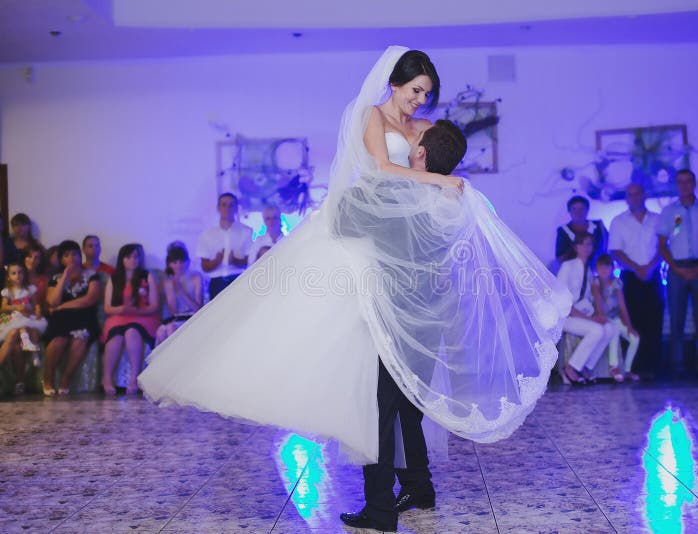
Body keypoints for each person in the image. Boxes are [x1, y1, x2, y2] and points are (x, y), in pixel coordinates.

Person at [139, 47, 570, 533]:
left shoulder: (423, 155)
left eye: (426, 94)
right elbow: (381, 172)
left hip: (394, 288)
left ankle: (384, 506)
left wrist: (425, 182)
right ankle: (418, 486)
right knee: (403, 399)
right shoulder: (387, 137)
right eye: (415, 91)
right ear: (394, 83)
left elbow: (375, 198)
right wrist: (433, 181)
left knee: (381, 404)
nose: (419, 102)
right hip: (403, 281)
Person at [657, 170, 698, 378]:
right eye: (680, 182)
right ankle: (677, 363)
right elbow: (662, 244)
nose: (684, 185)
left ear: (694, 183)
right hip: (677, 269)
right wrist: (676, 268)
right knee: (677, 317)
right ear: (676, 185)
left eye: (688, 181)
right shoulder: (669, 212)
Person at [608, 183, 663, 378]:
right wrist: (636, 267)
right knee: (631, 319)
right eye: (629, 195)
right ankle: (632, 367)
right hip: (630, 276)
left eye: (637, 193)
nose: (634, 198)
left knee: (654, 319)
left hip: (653, 274)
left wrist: (649, 267)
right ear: (626, 198)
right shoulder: (618, 221)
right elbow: (615, 250)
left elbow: (663, 248)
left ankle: (653, 366)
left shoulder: (658, 219)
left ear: (644, 194)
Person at [42, 240, 102, 396]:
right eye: (67, 255)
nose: (72, 258)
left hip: (84, 316)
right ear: (62, 259)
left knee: (80, 339)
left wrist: (62, 306)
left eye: (75, 254)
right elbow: (52, 301)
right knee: (58, 340)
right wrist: (64, 278)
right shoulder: (55, 278)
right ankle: (48, 377)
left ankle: (66, 378)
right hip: (61, 320)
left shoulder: (91, 275)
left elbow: (90, 299)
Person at [100, 244, 160, 396]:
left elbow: (154, 306)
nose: (133, 260)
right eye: (129, 257)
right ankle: (106, 379)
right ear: (122, 259)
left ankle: (134, 378)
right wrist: (120, 309)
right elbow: (107, 308)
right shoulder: (114, 278)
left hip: (143, 317)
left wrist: (137, 310)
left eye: (136, 256)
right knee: (116, 337)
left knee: (132, 332)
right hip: (119, 316)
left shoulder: (147, 276)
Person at [558, 234, 617, 385]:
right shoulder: (567, 266)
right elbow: (562, 300)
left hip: (583, 313)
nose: (586, 247)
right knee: (596, 330)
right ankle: (570, 367)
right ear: (576, 247)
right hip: (566, 316)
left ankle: (586, 366)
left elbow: (590, 299)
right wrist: (591, 319)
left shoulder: (590, 270)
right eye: (583, 244)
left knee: (610, 328)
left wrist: (598, 315)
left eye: (589, 244)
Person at [0, 261, 48, 394]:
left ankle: (33, 354)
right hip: (13, 319)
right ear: (9, 276)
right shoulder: (7, 291)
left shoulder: (29, 289)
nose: (18, 276)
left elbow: (35, 305)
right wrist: (16, 307)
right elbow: (3, 308)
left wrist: (35, 310)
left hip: (28, 318)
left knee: (29, 332)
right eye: (14, 273)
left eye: (20, 272)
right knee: (18, 332)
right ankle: (20, 381)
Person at [594, 254, 640, 382]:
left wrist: (629, 326)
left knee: (635, 339)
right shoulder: (596, 282)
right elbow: (598, 303)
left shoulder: (617, 283)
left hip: (616, 318)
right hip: (604, 319)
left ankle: (627, 369)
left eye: (607, 267)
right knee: (613, 330)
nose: (604, 270)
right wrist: (602, 317)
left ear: (612, 269)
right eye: (601, 267)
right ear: (596, 269)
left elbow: (622, 306)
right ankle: (613, 366)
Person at [197, 193, 252, 299]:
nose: (227, 208)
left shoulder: (246, 231)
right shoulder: (207, 234)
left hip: (239, 280)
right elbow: (204, 266)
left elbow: (250, 261)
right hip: (217, 283)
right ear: (218, 208)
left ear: (236, 208)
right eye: (224, 205)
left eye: (231, 205)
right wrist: (217, 261)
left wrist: (235, 261)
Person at [155, 242, 202, 346]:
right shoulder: (168, 282)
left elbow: (198, 308)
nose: (178, 265)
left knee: (171, 328)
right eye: (175, 262)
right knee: (161, 332)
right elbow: (173, 311)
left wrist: (181, 291)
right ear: (169, 264)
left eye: (182, 261)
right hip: (177, 318)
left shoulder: (196, 277)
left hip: (194, 317)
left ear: (188, 262)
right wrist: (172, 288)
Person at [555, 195, 607, 266]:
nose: (578, 212)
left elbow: (608, 247)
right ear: (569, 211)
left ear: (587, 210)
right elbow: (560, 258)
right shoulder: (563, 231)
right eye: (574, 209)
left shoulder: (599, 227)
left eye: (581, 209)